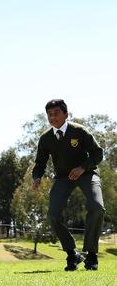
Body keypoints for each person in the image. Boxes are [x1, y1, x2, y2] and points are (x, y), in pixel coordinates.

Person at [32, 99, 105, 271]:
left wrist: (82, 167)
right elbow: (40, 163)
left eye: (56, 113)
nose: (52, 117)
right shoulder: (45, 139)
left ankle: (92, 255)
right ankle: (72, 255)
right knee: (52, 215)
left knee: (97, 207)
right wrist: (37, 177)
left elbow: (98, 154)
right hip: (62, 178)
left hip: (87, 173)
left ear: (66, 114)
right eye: (49, 114)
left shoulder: (79, 131)